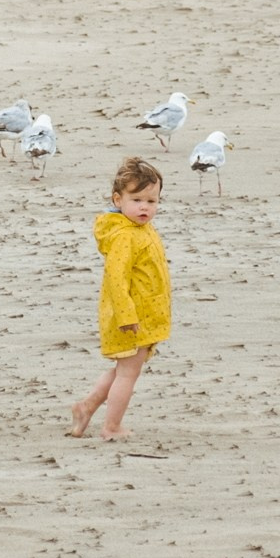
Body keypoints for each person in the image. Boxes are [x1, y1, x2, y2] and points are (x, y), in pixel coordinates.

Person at [71, 157, 172, 441]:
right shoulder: (124, 236)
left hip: (146, 314)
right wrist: (127, 317)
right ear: (118, 199)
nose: (144, 207)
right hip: (131, 318)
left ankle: (86, 407)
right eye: (136, 199)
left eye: (152, 201)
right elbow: (116, 280)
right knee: (128, 373)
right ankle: (111, 427)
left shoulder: (141, 229)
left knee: (124, 369)